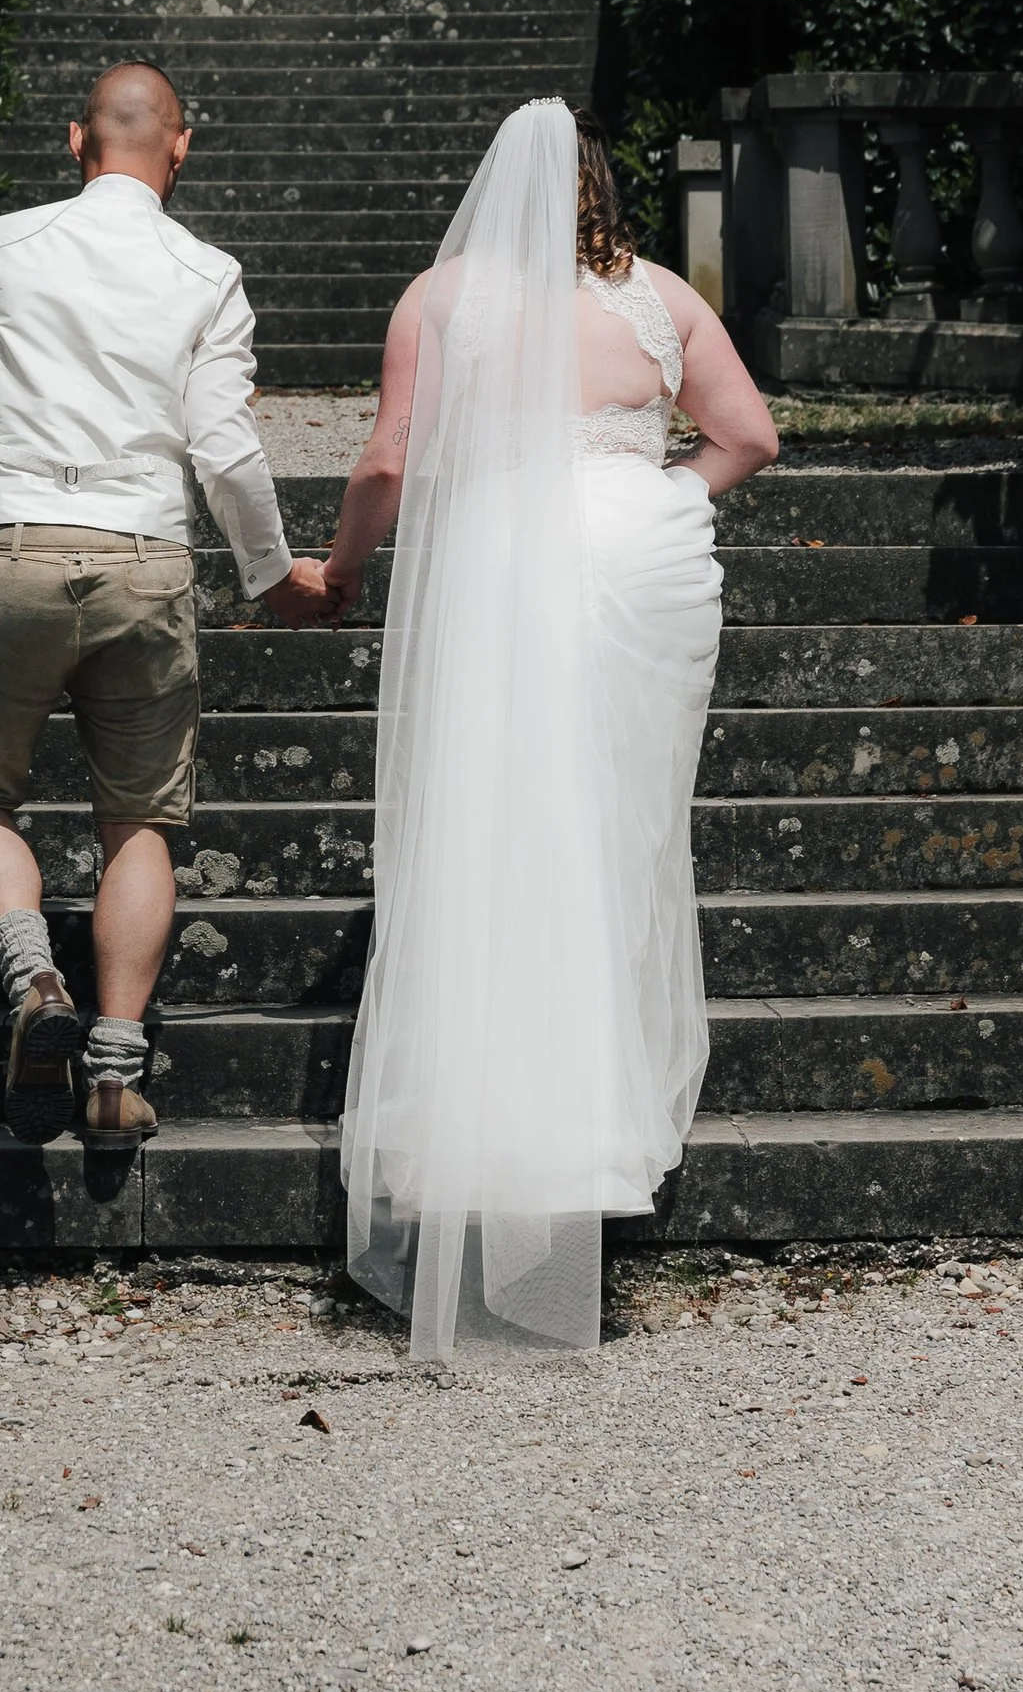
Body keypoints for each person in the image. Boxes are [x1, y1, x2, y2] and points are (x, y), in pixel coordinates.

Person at [315, 99, 778, 1357]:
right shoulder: (661, 298)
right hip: (641, 556)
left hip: (508, 553)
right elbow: (749, 437)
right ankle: (594, 1123)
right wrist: (655, 492)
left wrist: (338, 571)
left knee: (500, 827)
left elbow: (388, 461)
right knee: (614, 833)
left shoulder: (440, 299)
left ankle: (486, 1132)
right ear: (599, 188)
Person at [0, 63, 325, 1144]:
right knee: (139, 821)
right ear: (182, 147)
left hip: (10, 544)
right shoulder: (208, 272)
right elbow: (224, 446)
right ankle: (113, 1076)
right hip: (144, 555)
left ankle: (35, 976)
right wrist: (273, 572)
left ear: (73, 139)